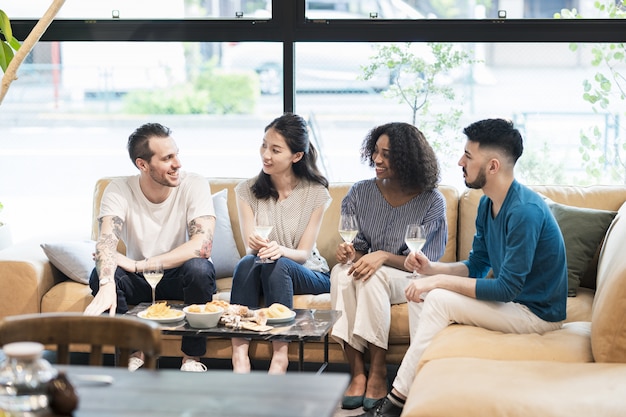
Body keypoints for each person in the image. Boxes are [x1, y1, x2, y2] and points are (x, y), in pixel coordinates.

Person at [357, 118, 568, 417]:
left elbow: (507, 289)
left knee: (439, 297)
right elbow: (477, 266)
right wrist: (431, 270)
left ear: (493, 166)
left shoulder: (524, 212)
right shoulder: (487, 203)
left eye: (468, 157)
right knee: (423, 289)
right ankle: (421, 391)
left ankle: (396, 400)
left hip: (536, 314)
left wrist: (437, 283)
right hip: (516, 305)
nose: (460, 161)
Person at [331, 122, 448, 411]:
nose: (377, 160)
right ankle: (357, 372)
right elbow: (359, 249)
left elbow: (424, 264)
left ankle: (379, 371)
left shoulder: (432, 201)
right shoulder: (359, 193)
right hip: (375, 269)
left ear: (408, 160)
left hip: (410, 275)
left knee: (375, 278)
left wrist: (381, 255)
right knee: (340, 275)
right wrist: (349, 253)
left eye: (387, 155)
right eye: (375, 152)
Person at [84, 122, 217, 372]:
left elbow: (202, 246)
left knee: (199, 269)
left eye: (176, 154)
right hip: (139, 281)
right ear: (142, 164)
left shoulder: (195, 183)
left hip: (180, 275)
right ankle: (134, 354)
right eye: (167, 158)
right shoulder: (119, 189)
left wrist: (139, 264)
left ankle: (192, 358)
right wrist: (106, 284)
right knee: (99, 276)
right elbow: (106, 243)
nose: (177, 163)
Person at [230, 113, 332, 374]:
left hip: (310, 271)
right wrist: (256, 245)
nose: (266, 154)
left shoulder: (316, 194)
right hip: (266, 264)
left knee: (280, 265)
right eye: (264, 145)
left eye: (275, 150)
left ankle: (280, 355)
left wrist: (280, 250)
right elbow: (251, 250)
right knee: (245, 262)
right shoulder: (246, 191)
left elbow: (303, 253)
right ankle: (239, 355)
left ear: (296, 156)